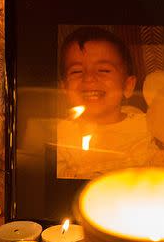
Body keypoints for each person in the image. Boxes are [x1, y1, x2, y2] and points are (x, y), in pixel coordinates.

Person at [56, 26, 150, 179]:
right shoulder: (60, 135)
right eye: (77, 71)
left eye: (104, 70)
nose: (89, 78)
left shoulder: (148, 128)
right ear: (64, 89)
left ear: (128, 86)